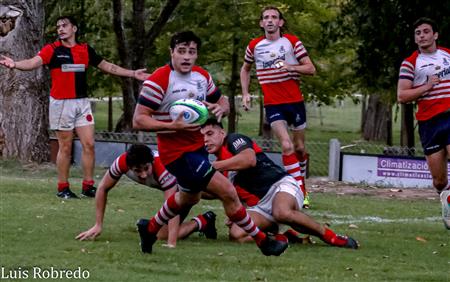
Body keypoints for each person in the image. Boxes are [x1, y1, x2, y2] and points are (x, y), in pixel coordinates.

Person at [132, 30, 288, 256]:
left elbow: (221, 100)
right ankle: (264, 242)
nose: (186, 57)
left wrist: (221, 108)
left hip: (197, 148)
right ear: (172, 52)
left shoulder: (202, 77)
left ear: (196, 55)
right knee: (228, 191)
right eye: (181, 51)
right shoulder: (159, 80)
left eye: (191, 52)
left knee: (188, 197)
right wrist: (171, 127)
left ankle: (151, 228)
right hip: (177, 155)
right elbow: (138, 119)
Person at [0, 16, 149, 199]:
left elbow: (107, 66)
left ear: (74, 29)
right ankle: (63, 188)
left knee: (89, 144)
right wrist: (15, 64)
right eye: (58, 26)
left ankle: (88, 186)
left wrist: (133, 73)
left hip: (82, 103)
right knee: (66, 147)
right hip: (61, 104)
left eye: (64, 25)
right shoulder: (52, 50)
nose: (60, 29)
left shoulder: (85, 50)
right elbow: (33, 62)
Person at [200, 118, 359, 249]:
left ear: (222, 132)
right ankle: (281, 237)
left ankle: (330, 236)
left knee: (281, 212)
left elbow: (249, 159)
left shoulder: (234, 140)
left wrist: (214, 167)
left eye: (210, 133)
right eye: (202, 137)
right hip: (261, 205)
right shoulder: (221, 167)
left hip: (281, 185)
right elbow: (214, 193)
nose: (206, 140)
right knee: (237, 234)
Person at [240, 6, 316, 208]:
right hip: (273, 104)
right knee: (286, 145)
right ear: (261, 23)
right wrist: (246, 93)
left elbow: (311, 68)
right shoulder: (254, 45)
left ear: (281, 23)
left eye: (274, 17)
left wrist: (290, 66)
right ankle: (299, 192)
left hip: (295, 102)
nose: (270, 20)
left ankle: (302, 185)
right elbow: (245, 69)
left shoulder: (292, 42)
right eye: (266, 17)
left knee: (299, 148)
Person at [75, 144, 217, 247]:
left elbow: (172, 204)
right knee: (160, 233)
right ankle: (204, 221)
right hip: (181, 190)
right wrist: (98, 225)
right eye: (138, 170)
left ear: (152, 162)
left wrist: (171, 243)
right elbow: (102, 188)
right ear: (130, 167)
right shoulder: (121, 163)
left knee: (219, 193)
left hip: (187, 184)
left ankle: (210, 220)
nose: (143, 174)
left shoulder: (162, 167)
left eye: (146, 169)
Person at [397, 17, 450, 230]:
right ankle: (445, 200)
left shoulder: (448, 55)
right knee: (439, 181)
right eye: (418, 33)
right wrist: (426, 87)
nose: (422, 36)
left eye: (426, 31)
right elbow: (402, 96)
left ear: (435, 35)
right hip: (429, 123)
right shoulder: (410, 63)